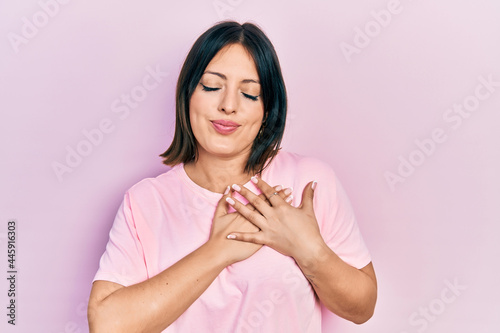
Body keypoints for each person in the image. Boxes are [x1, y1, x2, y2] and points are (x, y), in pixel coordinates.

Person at [87, 20, 377, 332]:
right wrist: (217, 251)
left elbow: (362, 308)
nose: (228, 106)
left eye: (250, 94)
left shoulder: (308, 181)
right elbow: (107, 326)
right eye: (211, 87)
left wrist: (309, 250)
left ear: (267, 109)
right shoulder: (145, 202)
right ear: (187, 94)